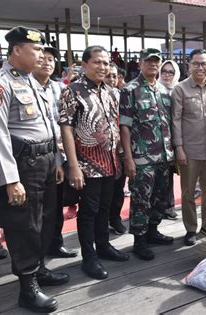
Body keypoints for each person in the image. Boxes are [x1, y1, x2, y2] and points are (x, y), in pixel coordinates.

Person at [0, 26, 69, 313]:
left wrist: (57, 160)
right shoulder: (2, 83)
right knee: (25, 226)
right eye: (36, 49)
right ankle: (27, 288)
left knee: (46, 220)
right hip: (22, 166)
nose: (42, 55)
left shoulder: (32, 83)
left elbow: (49, 125)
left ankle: (39, 270)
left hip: (46, 161)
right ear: (17, 50)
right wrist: (11, 179)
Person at [59, 45, 130, 280]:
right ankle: (89, 257)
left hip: (111, 162)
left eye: (106, 63)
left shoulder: (111, 91)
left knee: (105, 208)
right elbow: (66, 128)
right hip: (87, 164)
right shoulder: (73, 91)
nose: (103, 67)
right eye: (97, 62)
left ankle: (104, 246)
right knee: (88, 211)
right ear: (85, 64)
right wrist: (73, 165)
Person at [119, 48, 175, 261]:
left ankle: (153, 231)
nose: (153, 65)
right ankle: (139, 241)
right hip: (142, 158)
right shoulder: (130, 89)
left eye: (156, 62)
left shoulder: (163, 90)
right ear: (140, 63)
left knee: (160, 197)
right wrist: (128, 158)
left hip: (163, 156)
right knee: (141, 200)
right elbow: (124, 126)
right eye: (148, 61)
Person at [172, 49, 206, 246]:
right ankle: (191, 229)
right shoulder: (180, 89)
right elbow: (175, 120)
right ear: (189, 65)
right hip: (190, 150)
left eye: (204, 63)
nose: (200, 67)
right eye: (196, 63)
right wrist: (179, 148)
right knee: (188, 192)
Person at [32, 45, 78, 258]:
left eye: (51, 59)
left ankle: (55, 243)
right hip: (33, 158)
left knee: (57, 203)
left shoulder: (59, 88)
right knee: (36, 209)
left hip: (59, 155)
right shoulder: (24, 86)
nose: (47, 62)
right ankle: (36, 253)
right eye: (43, 58)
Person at [105, 64, 127, 235]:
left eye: (114, 76)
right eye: (108, 76)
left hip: (119, 150)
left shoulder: (121, 95)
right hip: (100, 153)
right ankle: (103, 222)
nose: (111, 79)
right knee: (104, 191)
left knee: (118, 188)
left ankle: (115, 218)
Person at [159, 59, 181, 221]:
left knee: (170, 175)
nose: (167, 75)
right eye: (164, 71)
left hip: (177, 139)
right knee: (159, 176)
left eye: (171, 72)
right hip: (157, 141)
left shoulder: (179, 90)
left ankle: (169, 206)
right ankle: (158, 209)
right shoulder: (155, 89)